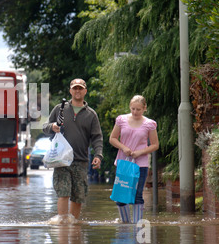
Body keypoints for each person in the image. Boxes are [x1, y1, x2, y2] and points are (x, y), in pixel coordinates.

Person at [43, 78, 103, 220]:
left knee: (78, 196)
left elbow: (97, 137)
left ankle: (74, 225)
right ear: (70, 91)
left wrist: (98, 155)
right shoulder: (59, 108)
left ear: (85, 91)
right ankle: (63, 224)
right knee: (63, 193)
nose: (77, 91)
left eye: (80, 88)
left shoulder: (91, 114)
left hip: (81, 160)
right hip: (61, 160)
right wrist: (52, 127)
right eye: (74, 88)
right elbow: (45, 127)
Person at [109, 95, 159, 223]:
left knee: (137, 194)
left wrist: (140, 152)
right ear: (129, 107)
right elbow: (112, 138)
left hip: (140, 165)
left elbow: (155, 145)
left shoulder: (149, 124)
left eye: (138, 109)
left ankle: (138, 226)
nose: (135, 112)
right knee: (120, 195)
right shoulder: (121, 120)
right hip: (123, 163)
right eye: (133, 109)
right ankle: (125, 224)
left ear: (144, 108)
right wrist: (124, 148)